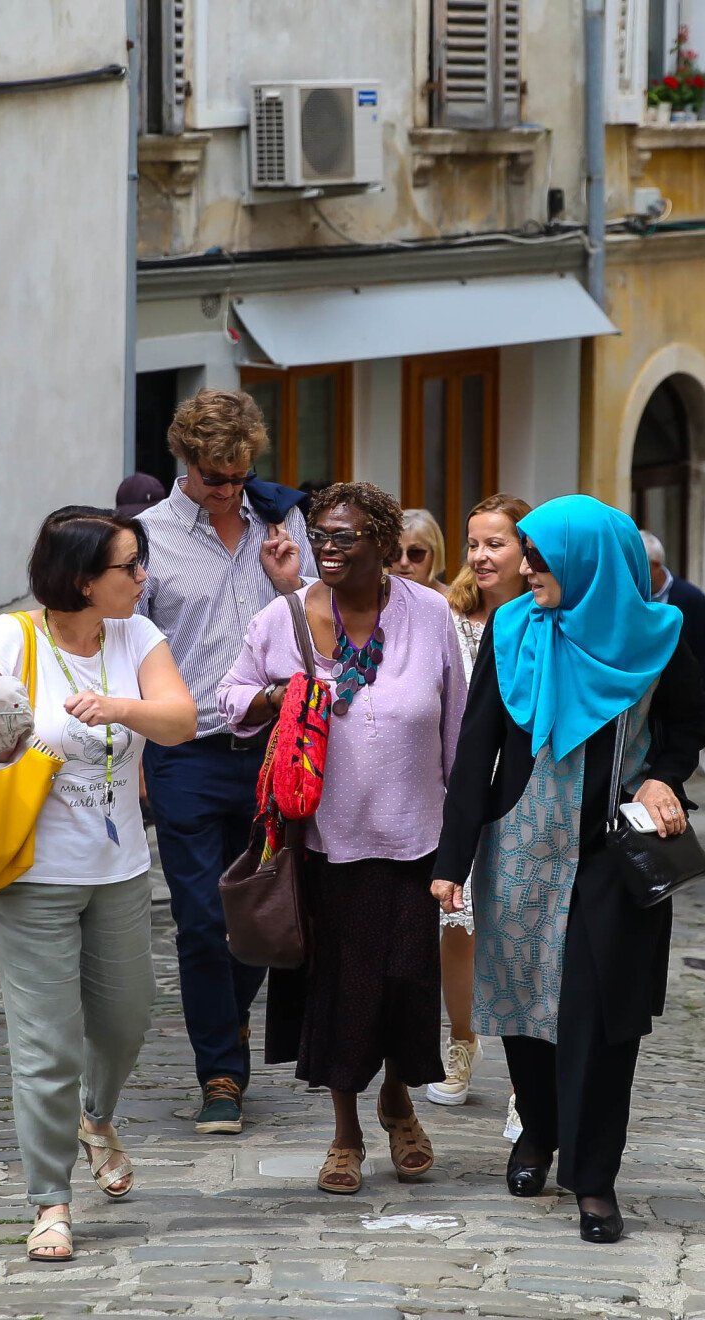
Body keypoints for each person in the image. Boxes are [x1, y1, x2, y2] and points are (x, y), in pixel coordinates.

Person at [431, 496, 705, 1245]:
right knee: (525, 1008)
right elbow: (477, 745)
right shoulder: (512, 629)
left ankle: (594, 1180)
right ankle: (538, 1132)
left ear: (590, 564)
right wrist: (452, 859)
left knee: (599, 1018)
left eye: (539, 558)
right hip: (521, 847)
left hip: (613, 857)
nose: (525, 570)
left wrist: (665, 778)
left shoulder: (658, 636)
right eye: (526, 555)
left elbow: (689, 724)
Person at [0, 508, 197, 1263]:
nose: (143, 577)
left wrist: (119, 708)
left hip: (119, 869)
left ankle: (96, 1116)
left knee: (125, 1021)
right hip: (34, 873)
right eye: (129, 567)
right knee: (47, 1043)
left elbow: (180, 720)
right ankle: (50, 1200)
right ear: (83, 580)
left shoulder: (137, 637)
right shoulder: (9, 640)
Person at [219, 483, 468, 1195]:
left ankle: (398, 1098)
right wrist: (281, 695)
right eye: (320, 536)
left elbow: (455, 721)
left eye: (344, 537)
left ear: (383, 544)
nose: (327, 548)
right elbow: (231, 700)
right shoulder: (283, 618)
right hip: (324, 844)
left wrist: (464, 835)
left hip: (415, 837)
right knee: (341, 991)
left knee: (406, 983)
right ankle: (345, 1131)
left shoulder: (428, 613)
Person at [136, 390, 313, 1136]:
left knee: (263, 911)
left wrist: (290, 585)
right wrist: (137, 751)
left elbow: (318, 631)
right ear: (186, 462)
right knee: (203, 917)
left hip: (274, 751)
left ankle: (227, 1019)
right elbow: (127, 651)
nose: (229, 490)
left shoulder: (282, 524)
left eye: (240, 476)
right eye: (215, 477)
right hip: (187, 754)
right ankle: (220, 1072)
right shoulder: (146, 539)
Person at [424, 493, 532, 1113]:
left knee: (516, 927)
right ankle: (462, 1041)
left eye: (496, 543)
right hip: (457, 783)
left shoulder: (543, 619)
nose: (482, 556)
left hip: (519, 789)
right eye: (473, 544)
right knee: (456, 925)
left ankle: (525, 1079)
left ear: (526, 550)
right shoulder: (450, 617)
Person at [641, 531, 705, 753]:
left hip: (678, 705)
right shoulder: (633, 598)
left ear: (655, 565)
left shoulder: (692, 600)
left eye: (638, 565)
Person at [393, 507, 449, 593]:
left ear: (434, 555)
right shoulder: (374, 597)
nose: (404, 562)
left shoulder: (453, 600)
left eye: (415, 553)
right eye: (395, 552)